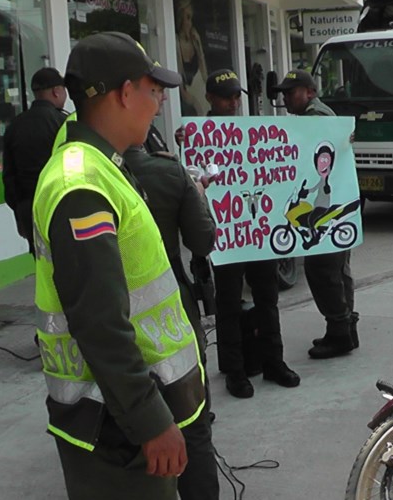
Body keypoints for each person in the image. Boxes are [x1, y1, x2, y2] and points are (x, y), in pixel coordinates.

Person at [32, 31, 205, 499]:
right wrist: (150, 422)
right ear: (125, 93)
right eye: (154, 91)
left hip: (118, 416)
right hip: (113, 427)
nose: (159, 103)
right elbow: (99, 321)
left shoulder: (102, 165)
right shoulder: (81, 184)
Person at [123, 129, 218, 499]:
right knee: (191, 420)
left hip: (112, 322)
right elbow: (203, 239)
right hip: (170, 310)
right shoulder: (168, 173)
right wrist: (199, 196)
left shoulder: (77, 176)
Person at [206, 69, 300, 395]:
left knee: (267, 299)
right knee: (229, 303)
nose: (232, 103)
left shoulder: (252, 131)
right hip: (227, 234)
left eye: (236, 97)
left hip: (259, 231)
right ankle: (235, 370)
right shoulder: (198, 136)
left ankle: (273, 361)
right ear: (210, 99)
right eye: (226, 97)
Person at [271, 70, 360, 360]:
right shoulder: (320, 114)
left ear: (309, 92)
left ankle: (339, 332)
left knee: (321, 268)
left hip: (326, 201)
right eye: (283, 92)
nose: (285, 97)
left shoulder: (314, 118)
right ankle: (346, 326)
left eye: (291, 91)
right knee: (337, 269)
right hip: (333, 201)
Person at [2, 67, 69, 253]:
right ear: (57, 91)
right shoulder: (64, 123)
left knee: (42, 263)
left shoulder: (15, 126)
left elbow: (9, 176)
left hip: (28, 208)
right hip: (60, 205)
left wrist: (20, 212)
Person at [176, 0, 208, 116]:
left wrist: (199, 48)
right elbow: (180, 80)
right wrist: (195, 102)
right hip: (188, 95)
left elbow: (205, 76)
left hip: (200, 91)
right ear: (181, 18)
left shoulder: (194, 41)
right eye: (187, 18)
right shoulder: (176, 42)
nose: (190, 23)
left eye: (191, 18)